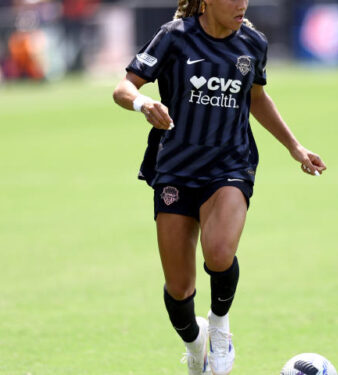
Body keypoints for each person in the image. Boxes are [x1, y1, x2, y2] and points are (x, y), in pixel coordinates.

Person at [112, 0, 326, 374]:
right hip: (176, 170)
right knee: (179, 289)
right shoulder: (174, 37)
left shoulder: (253, 44)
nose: (242, 4)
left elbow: (256, 98)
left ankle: (220, 324)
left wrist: (295, 147)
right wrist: (143, 104)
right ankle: (196, 344)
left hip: (230, 165)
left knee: (220, 253)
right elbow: (123, 88)